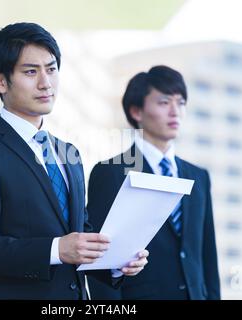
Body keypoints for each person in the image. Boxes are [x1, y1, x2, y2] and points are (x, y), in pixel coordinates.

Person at [0, 22, 149, 300]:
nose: (46, 82)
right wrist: (56, 250)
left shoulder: (69, 153)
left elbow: (80, 235)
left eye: (51, 68)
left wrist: (117, 264)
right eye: (31, 72)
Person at [87, 65, 220, 300]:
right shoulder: (110, 173)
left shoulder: (198, 176)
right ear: (137, 111)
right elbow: (99, 259)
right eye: (164, 102)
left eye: (180, 103)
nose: (175, 111)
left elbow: (207, 255)